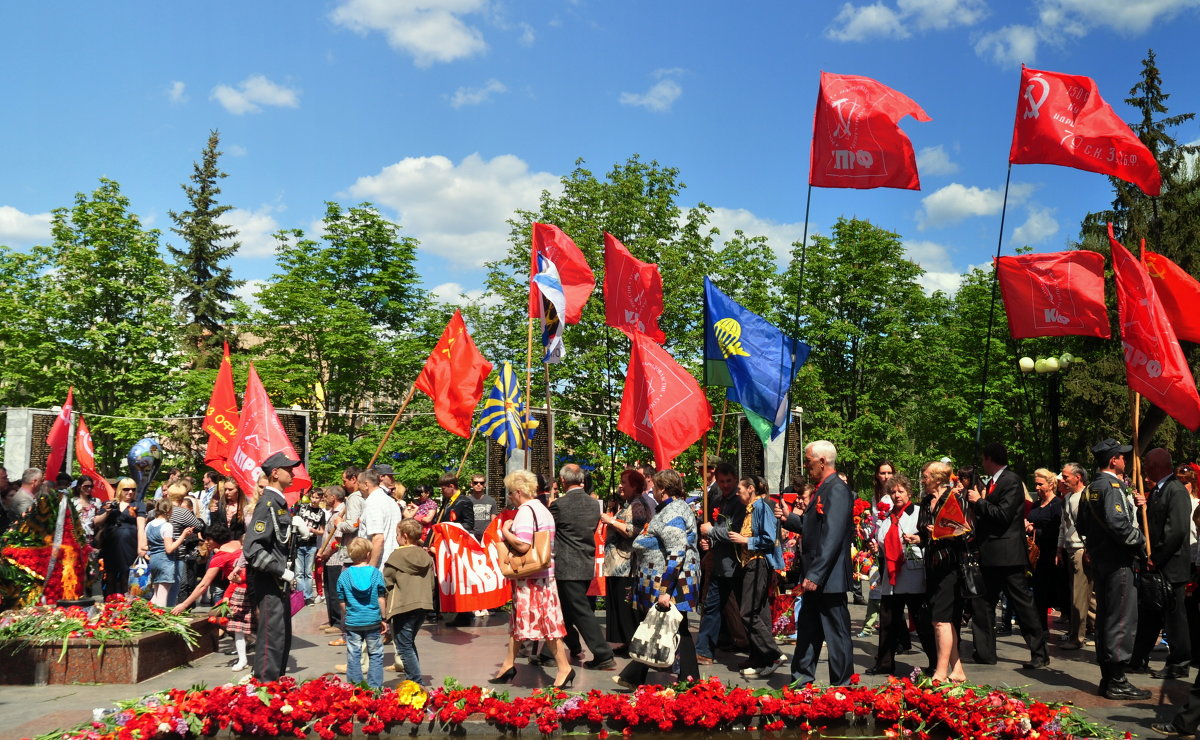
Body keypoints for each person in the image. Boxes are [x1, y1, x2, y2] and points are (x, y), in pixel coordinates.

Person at [612, 468, 701, 689]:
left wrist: (665, 590)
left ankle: (689, 681)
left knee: (672, 627)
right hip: (664, 579)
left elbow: (676, 551)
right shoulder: (669, 509)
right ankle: (637, 675)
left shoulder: (674, 512)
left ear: (662, 489)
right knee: (660, 625)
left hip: (673, 581)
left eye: (655, 487)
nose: (653, 490)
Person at [1078, 438, 1150, 700]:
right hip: (1120, 562)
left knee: (1108, 619)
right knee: (1121, 619)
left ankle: (1109, 677)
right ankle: (1117, 680)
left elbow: (1082, 525)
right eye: (1122, 455)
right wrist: (1140, 541)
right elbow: (1119, 524)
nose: (1125, 459)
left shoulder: (1091, 487)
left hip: (1101, 560)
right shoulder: (1111, 487)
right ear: (1113, 461)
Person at [966, 442, 1049, 670]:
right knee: (982, 603)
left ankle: (1039, 652)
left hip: (1008, 555)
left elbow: (1003, 515)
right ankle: (984, 652)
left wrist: (979, 502)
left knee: (1022, 603)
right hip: (990, 554)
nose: (983, 464)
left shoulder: (1010, 481)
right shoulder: (993, 483)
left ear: (990, 459)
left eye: (984, 459)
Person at [489, 469, 574, 689]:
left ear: (518, 491)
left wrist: (505, 531)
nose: (509, 497)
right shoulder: (542, 509)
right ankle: (508, 664)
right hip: (543, 576)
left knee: (546, 624)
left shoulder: (525, 511)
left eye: (510, 493)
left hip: (531, 578)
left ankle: (564, 668)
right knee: (522, 622)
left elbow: (523, 545)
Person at [786, 440, 854, 686]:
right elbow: (813, 528)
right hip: (816, 575)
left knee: (836, 634)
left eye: (808, 461)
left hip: (828, 577)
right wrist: (788, 518)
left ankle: (843, 685)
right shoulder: (822, 488)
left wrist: (815, 574)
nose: (806, 466)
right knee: (807, 631)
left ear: (822, 462)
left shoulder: (835, 489)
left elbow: (833, 536)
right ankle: (801, 681)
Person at [1130, 447, 1193, 679]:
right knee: (1150, 614)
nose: (1144, 468)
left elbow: (1175, 531)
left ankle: (1179, 663)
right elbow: (1151, 523)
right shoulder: (1158, 490)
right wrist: (1141, 509)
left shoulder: (1175, 490)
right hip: (1156, 565)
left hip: (1171, 566)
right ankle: (1138, 658)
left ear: (1157, 466)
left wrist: (1155, 558)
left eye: (1146, 464)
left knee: (1174, 618)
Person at [544, 463, 613, 669]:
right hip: (585, 563)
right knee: (565, 610)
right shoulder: (594, 505)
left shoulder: (559, 505)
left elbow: (548, 530)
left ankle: (603, 653)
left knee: (580, 611)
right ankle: (554, 652)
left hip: (567, 566)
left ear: (563, 481)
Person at [867, 473, 935, 676]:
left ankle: (935, 663)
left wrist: (918, 539)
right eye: (893, 492)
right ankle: (884, 663)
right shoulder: (887, 518)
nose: (897, 495)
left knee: (922, 622)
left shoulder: (919, 512)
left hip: (913, 574)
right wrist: (875, 545)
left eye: (900, 491)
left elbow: (929, 536)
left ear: (909, 493)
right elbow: (882, 541)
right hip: (892, 577)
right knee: (887, 622)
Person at [244, 451, 301, 681]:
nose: (293, 473)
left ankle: (276, 684)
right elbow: (252, 549)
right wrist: (281, 571)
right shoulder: (267, 503)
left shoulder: (278, 503)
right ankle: (266, 687)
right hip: (270, 582)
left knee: (281, 636)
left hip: (279, 583)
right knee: (271, 637)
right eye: (288, 469)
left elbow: (279, 542)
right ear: (275, 473)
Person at [172, 523, 253, 671]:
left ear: (214, 539)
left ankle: (243, 656)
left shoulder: (219, 557)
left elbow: (203, 585)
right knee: (246, 625)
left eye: (207, 539)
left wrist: (184, 604)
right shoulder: (237, 543)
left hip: (238, 591)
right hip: (253, 588)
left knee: (225, 619)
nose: (205, 543)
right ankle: (249, 644)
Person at [730, 475, 786, 678]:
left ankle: (773, 653)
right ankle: (760, 657)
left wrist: (745, 540)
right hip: (749, 563)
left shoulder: (761, 508)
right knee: (760, 612)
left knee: (747, 612)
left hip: (758, 562)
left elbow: (769, 538)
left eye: (740, 489)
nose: (737, 493)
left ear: (751, 489)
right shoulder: (750, 509)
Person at [920, 462, 971, 683]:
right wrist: (920, 537)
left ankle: (940, 672)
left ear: (938, 479)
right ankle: (957, 670)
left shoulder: (956, 499)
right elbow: (924, 530)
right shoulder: (925, 501)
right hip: (932, 566)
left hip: (951, 566)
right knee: (943, 620)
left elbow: (967, 532)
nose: (922, 480)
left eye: (925, 476)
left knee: (940, 620)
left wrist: (942, 534)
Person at [696, 462, 745, 665]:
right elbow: (716, 527)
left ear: (735, 480)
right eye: (722, 481)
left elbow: (735, 530)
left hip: (737, 564)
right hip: (719, 563)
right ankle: (704, 650)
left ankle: (762, 649)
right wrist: (708, 541)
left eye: (728, 481)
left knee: (746, 609)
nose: (725, 485)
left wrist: (711, 532)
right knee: (712, 605)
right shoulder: (718, 499)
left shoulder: (740, 502)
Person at [599, 469, 652, 655]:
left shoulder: (638, 504)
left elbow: (636, 531)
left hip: (627, 565)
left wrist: (611, 522)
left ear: (635, 486)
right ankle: (626, 641)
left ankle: (632, 643)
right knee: (620, 606)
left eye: (624, 482)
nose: (621, 485)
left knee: (626, 607)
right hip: (619, 565)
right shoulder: (631, 503)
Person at [384, 518, 434, 686]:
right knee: (408, 642)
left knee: (403, 645)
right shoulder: (425, 556)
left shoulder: (397, 555)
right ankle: (413, 677)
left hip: (402, 605)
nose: (396, 538)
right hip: (422, 605)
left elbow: (387, 580)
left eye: (397, 534)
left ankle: (415, 681)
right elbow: (432, 582)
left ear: (404, 536)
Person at [337, 537, 389, 690]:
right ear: (368, 554)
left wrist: (349, 613)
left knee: (354, 655)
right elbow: (381, 598)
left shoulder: (344, 575)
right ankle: (374, 688)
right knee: (376, 654)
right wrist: (383, 618)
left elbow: (341, 599)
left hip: (353, 622)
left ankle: (356, 688)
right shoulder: (375, 574)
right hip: (373, 620)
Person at [1057, 462, 1093, 651]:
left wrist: (1089, 549)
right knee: (1081, 594)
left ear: (1078, 477)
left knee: (1079, 596)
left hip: (1082, 550)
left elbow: (1091, 525)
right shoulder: (1068, 497)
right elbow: (1063, 526)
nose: (1063, 480)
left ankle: (1077, 637)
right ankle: (1086, 630)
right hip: (1071, 549)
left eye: (1066, 477)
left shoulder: (1087, 496)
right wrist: (1059, 548)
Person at [93, 477, 147, 596]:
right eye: (126, 489)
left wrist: (141, 547)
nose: (130, 492)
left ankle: (126, 605)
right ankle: (109, 604)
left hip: (130, 544)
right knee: (110, 576)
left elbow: (141, 527)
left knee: (127, 576)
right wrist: (107, 512)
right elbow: (96, 522)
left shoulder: (138, 505)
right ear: (120, 490)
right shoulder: (109, 504)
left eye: (133, 489)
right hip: (111, 544)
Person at [1026, 468, 1064, 633]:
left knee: (1045, 590)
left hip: (1049, 552)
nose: (1037, 487)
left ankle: (1043, 626)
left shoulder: (1057, 504)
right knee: (1036, 589)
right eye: (1036, 484)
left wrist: (1033, 529)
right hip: (1034, 553)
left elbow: (1055, 530)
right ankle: (1039, 624)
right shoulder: (1036, 504)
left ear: (1050, 485)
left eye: (1040, 484)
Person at [146, 498, 194, 607]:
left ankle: (150, 616)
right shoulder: (167, 526)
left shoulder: (149, 525)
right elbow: (169, 549)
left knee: (156, 594)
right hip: (165, 562)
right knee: (163, 596)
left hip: (154, 560)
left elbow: (147, 545)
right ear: (168, 510)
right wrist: (183, 536)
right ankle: (160, 620)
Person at [295, 490, 326, 604]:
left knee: (307, 572)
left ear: (321, 499)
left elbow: (322, 531)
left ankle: (307, 597)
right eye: (313, 497)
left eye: (317, 498)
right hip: (299, 543)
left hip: (311, 544)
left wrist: (313, 530)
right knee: (298, 572)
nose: (314, 500)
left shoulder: (321, 513)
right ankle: (300, 596)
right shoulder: (302, 508)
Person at [467, 474, 498, 541]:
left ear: (485, 485)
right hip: (470, 537)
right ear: (471, 484)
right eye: (475, 483)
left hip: (487, 537)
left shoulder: (491, 500)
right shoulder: (465, 501)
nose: (478, 484)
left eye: (481, 483)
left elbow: (494, 521)